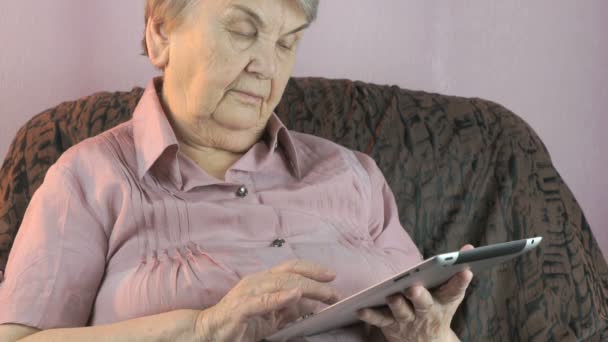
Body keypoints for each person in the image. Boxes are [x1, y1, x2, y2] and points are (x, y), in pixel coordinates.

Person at [0, 0, 473, 341]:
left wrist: (430, 334)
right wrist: (204, 328)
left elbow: (427, 318)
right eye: (243, 30)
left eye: (288, 43)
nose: (267, 66)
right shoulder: (87, 177)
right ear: (161, 32)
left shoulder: (354, 174)